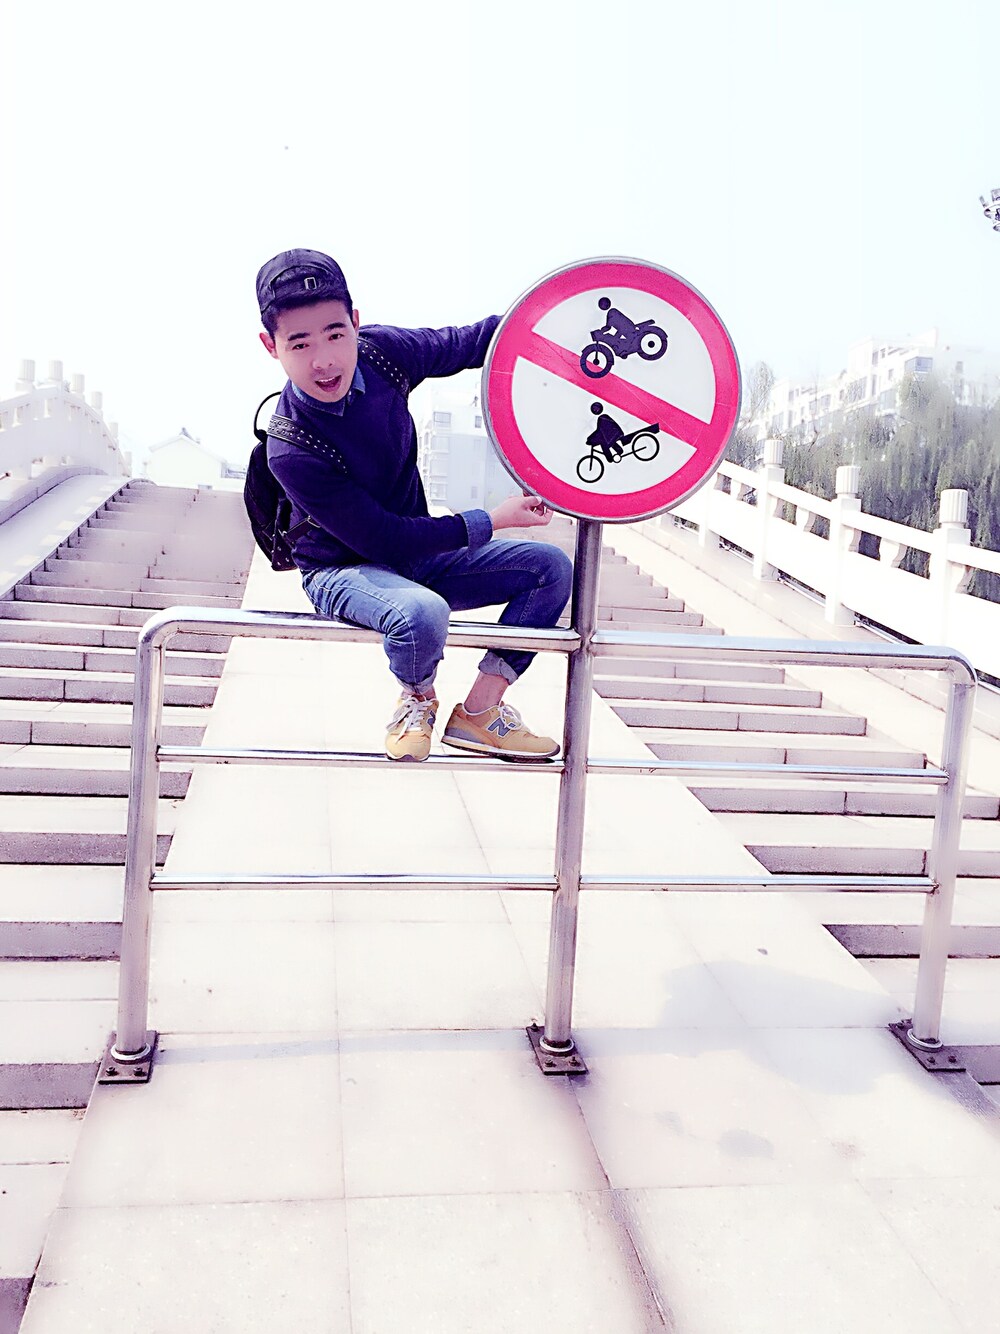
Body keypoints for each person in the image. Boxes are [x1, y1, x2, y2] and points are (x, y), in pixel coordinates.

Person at [256, 248, 573, 763]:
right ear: (271, 346)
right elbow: (384, 539)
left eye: (335, 334)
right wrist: (492, 520)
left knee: (551, 568)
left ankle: (480, 712)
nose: (324, 360)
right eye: (300, 343)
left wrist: (564, 323)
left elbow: (473, 341)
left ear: (356, 323)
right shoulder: (290, 447)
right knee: (422, 613)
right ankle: (417, 699)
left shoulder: (383, 353)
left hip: (419, 556)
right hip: (341, 569)